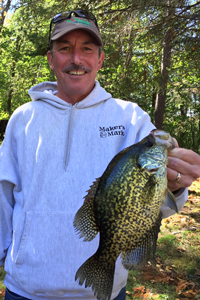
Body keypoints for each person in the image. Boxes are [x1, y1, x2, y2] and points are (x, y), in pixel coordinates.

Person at [0, 9, 200, 300]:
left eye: (87, 49)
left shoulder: (132, 118)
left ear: (100, 59)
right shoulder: (23, 118)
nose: (76, 59)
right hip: (26, 288)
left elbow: (155, 210)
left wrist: (176, 184)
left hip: (105, 291)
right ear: (51, 59)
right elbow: (3, 198)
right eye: (65, 48)